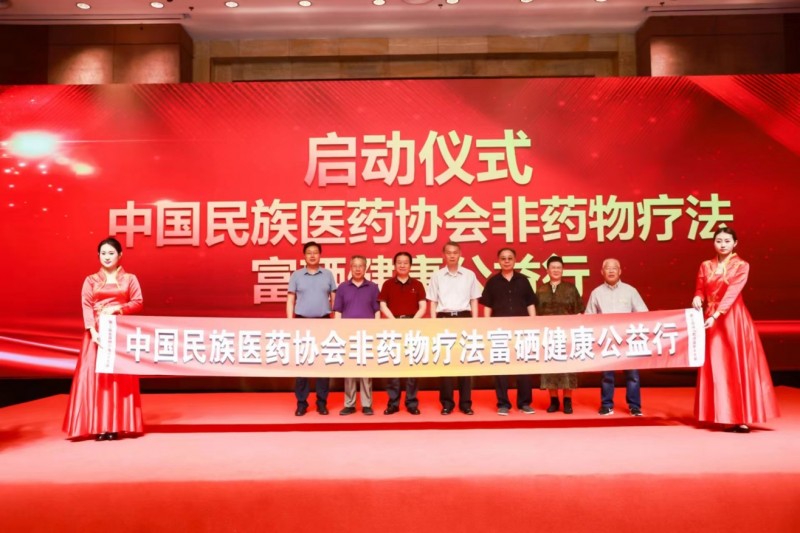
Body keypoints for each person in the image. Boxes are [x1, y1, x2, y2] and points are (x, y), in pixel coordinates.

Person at [692, 227, 779, 433]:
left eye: (727, 241)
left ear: (735, 243)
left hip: (733, 319)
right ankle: (723, 416)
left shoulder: (741, 265)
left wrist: (715, 315)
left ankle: (741, 418)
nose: (722, 244)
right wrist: (697, 297)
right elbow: (700, 288)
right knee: (717, 366)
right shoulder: (706, 265)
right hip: (711, 320)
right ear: (713, 243)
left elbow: (732, 293)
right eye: (719, 241)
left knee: (737, 365)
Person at [63, 237, 144, 441]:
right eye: (103, 253)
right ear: (98, 255)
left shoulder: (130, 279)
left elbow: (138, 302)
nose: (107, 257)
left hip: (119, 332)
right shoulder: (90, 280)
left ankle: (115, 425)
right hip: (96, 334)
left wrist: (118, 308)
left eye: (111, 253)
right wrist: (92, 330)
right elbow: (86, 306)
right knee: (96, 378)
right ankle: (98, 426)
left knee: (117, 377)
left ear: (120, 255)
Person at [585, 258, 648, 417]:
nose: (611, 270)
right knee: (607, 375)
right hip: (606, 340)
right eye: (608, 268)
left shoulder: (630, 291)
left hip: (628, 340)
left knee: (632, 375)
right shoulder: (596, 293)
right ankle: (606, 405)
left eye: (614, 268)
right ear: (602, 272)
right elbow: (589, 317)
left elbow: (644, 313)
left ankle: (634, 406)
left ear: (620, 271)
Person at [480, 247, 538, 415]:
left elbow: (530, 303)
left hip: (522, 331)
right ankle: (503, 404)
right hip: (499, 332)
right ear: (498, 261)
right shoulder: (492, 282)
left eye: (509, 258)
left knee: (524, 367)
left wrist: (534, 325)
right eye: (503, 258)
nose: (506, 261)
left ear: (515, 260)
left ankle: (524, 403)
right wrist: (487, 327)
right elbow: (487, 306)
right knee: (501, 368)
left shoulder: (523, 280)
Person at [428, 241, 482, 415]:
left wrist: (475, 323)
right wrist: (434, 324)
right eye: (449, 252)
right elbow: (433, 301)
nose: (452, 255)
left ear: (460, 254)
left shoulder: (469, 275)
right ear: (443, 255)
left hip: (464, 318)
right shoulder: (437, 276)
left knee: (464, 362)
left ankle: (465, 403)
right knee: (446, 362)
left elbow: (474, 299)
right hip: (443, 319)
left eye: (455, 252)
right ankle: (447, 403)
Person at [287, 241, 337, 416]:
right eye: (309, 252)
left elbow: (334, 300)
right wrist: (289, 322)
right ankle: (302, 403)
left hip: (324, 322)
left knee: (322, 364)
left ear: (320, 255)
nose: (312, 255)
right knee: (303, 364)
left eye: (316, 252)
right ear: (304, 256)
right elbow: (290, 300)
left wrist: (335, 322)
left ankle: (322, 402)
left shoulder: (328, 274)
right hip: (302, 323)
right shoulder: (296, 275)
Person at [379, 251, 427, 415]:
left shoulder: (417, 284)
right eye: (399, 262)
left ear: (410, 265)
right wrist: (394, 320)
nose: (402, 265)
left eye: (405, 262)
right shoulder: (388, 284)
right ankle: (393, 403)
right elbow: (383, 305)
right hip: (393, 327)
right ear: (394, 265)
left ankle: (411, 403)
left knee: (412, 366)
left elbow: (423, 306)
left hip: (413, 327)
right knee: (394, 366)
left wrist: (412, 322)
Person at [536, 255, 585, 415]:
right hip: (548, 334)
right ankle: (554, 400)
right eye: (553, 267)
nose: (556, 270)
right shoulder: (541, 290)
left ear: (562, 270)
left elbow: (579, 311)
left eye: (559, 267)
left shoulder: (571, 288)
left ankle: (567, 401)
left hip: (567, 335)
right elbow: (536, 313)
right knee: (550, 367)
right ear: (547, 270)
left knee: (568, 368)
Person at [334, 255, 381, 416]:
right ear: (350, 267)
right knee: (349, 370)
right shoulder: (343, 287)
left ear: (365, 268)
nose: (358, 269)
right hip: (347, 334)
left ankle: (367, 404)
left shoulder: (373, 287)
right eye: (355, 266)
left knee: (366, 370)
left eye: (361, 266)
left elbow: (377, 311)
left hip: (367, 335)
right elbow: (338, 311)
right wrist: (338, 332)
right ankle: (350, 404)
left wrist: (376, 331)